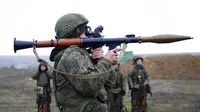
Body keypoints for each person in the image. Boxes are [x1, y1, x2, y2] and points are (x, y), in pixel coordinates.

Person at [49, 13, 121, 112]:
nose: (86, 36)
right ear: (73, 32)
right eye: (83, 32)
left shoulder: (82, 54)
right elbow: (90, 87)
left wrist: (101, 60)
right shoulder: (72, 55)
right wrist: (105, 61)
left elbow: (110, 83)